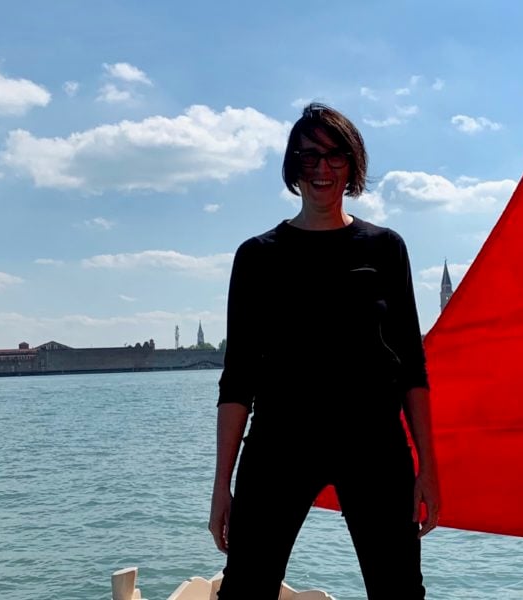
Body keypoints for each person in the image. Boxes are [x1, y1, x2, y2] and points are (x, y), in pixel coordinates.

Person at [208, 103, 441, 599]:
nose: (321, 168)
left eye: (335, 156)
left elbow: (412, 370)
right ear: (293, 167)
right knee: (246, 589)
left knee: (399, 590)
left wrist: (428, 469)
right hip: (279, 443)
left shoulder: (385, 248)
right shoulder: (257, 257)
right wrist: (221, 487)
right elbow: (237, 379)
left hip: (374, 443)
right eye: (309, 156)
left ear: (353, 166)